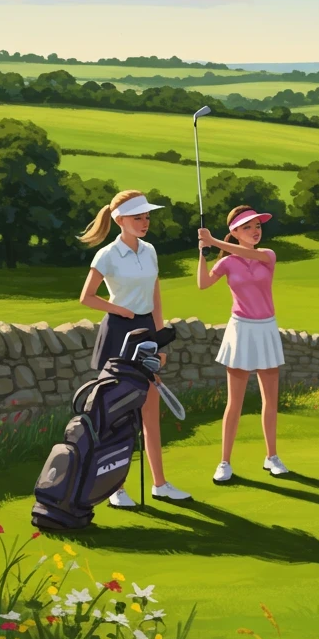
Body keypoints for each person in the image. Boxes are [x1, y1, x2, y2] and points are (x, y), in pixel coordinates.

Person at [78, 190, 192, 506]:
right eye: (137, 217)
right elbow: (87, 297)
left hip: (145, 334)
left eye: (146, 217)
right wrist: (121, 311)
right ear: (120, 220)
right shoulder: (107, 255)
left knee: (150, 413)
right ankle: (115, 488)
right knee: (117, 414)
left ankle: (160, 483)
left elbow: (155, 296)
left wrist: (158, 339)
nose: (144, 222)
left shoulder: (151, 251)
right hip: (118, 334)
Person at [197, 206, 289, 482]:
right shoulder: (227, 262)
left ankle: (271, 456)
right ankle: (225, 462)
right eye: (247, 227)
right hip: (241, 331)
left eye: (257, 226)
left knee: (270, 400)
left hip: (266, 329)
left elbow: (251, 253)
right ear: (235, 232)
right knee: (234, 403)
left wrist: (214, 241)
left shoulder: (266, 256)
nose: (255, 231)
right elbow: (202, 284)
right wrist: (202, 252)